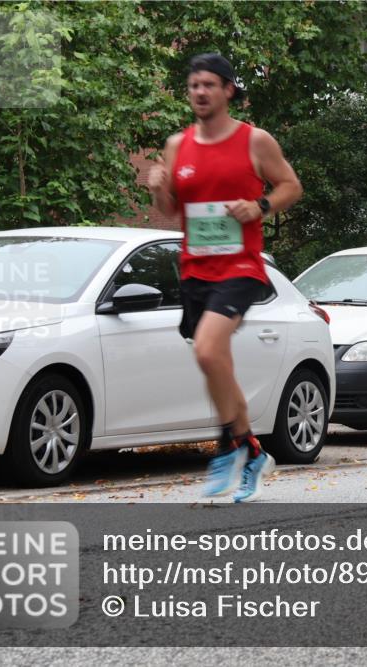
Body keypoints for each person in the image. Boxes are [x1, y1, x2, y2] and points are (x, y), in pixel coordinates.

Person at [148, 53, 302, 502]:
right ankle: (249, 449)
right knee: (214, 362)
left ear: (228, 90)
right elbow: (170, 211)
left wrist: (261, 207)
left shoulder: (255, 141)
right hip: (195, 268)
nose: (200, 92)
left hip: (241, 266)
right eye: (194, 85)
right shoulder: (178, 145)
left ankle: (230, 448)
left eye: (209, 85)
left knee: (209, 349)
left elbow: (291, 186)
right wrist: (159, 186)